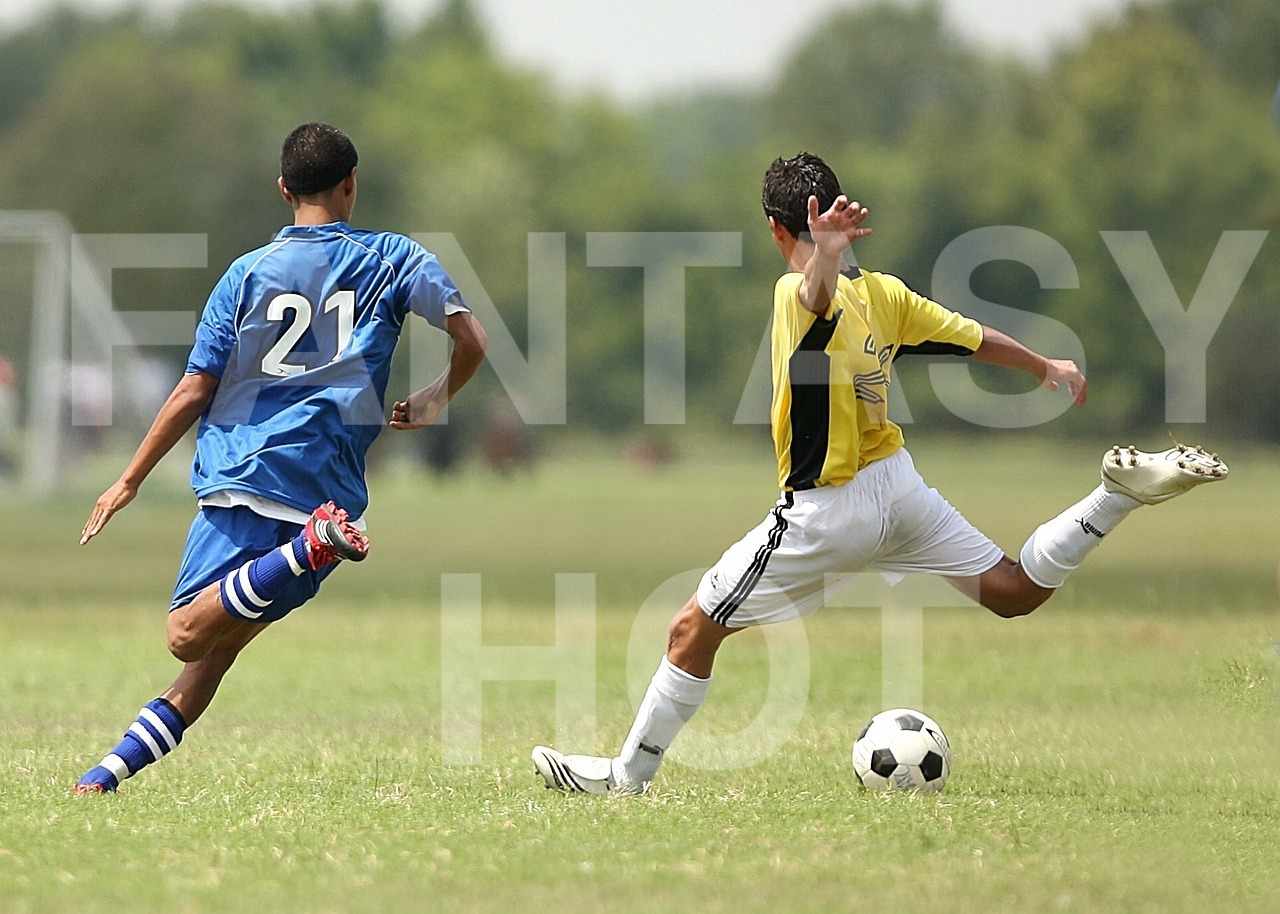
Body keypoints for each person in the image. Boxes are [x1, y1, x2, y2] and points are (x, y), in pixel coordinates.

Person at [532, 152, 1227, 795]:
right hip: (899, 487)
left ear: (776, 228)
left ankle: (628, 777)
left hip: (827, 510)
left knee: (692, 629)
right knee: (1013, 590)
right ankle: (1112, 497)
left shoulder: (792, 291)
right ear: (835, 212)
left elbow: (812, 299)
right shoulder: (887, 295)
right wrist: (1046, 365)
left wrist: (821, 259)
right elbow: (973, 337)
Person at [74, 123, 487, 793]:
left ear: (283, 189)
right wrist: (437, 395)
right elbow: (472, 339)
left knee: (185, 635)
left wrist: (129, 478)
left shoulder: (245, 275)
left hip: (246, 476)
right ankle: (104, 777)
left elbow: (194, 389)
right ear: (351, 184)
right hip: (328, 488)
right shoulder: (394, 257)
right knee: (212, 658)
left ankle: (304, 549)